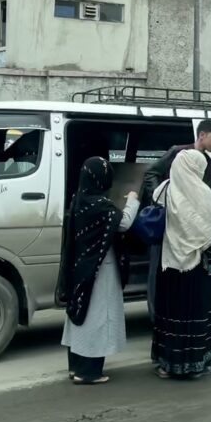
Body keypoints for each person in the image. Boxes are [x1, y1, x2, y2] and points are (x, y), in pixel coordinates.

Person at [59, 157, 140, 385]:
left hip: (81, 267)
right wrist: (133, 201)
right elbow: (123, 223)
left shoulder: (80, 199)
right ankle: (89, 372)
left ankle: (76, 367)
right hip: (100, 269)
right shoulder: (99, 205)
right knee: (98, 316)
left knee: (81, 314)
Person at [141, 118, 211, 321]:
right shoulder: (179, 153)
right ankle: (157, 318)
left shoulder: (208, 161)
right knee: (159, 268)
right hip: (170, 220)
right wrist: (165, 199)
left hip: (191, 226)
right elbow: (150, 173)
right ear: (202, 135)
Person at [151, 149, 211, 379]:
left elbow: (154, 210)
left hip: (171, 264)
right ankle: (195, 364)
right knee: (195, 313)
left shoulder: (164, 189)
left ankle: (167, 364)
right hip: (198, 270)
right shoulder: (205, 195)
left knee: (171, 312)